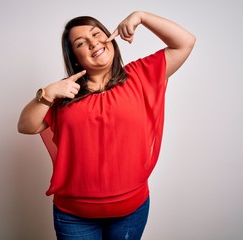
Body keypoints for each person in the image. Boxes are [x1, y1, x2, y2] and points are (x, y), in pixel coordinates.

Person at [18, 10, 195, 240]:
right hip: (74, 215)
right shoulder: (65, 91)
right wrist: (47, 93)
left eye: (96, 34)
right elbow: (26, 126)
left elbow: (185, 43)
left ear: (110, 37)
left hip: (131, 212)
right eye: (81, 43)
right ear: (74, 57)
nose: (93, 43)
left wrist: (140, 16)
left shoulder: (140, 75)